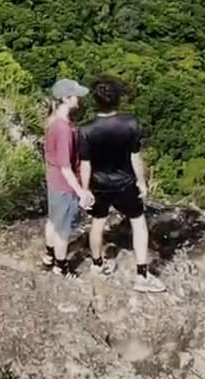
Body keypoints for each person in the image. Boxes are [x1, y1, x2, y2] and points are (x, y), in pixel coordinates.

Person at [79, 76, 164, 293]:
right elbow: (135, 157)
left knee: (98, 222)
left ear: (96, 101)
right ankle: (141, 275)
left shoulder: (86, 130)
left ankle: (97, 266)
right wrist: (142, 182)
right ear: (117, 99)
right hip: (125, 182)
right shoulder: (130, 123)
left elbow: (85, 164)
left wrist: (85, 189)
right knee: (138, 222)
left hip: (99, 183)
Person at [41, 77, 93, 276]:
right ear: (66, 98)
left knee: (53, 220)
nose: (79, 98)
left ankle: (48, 256)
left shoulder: (53, 121)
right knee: (63, 230)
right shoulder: (63, 129)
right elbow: (66, 166)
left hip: (54, 180)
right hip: (64, 185)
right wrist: (81, 192)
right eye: (75, 95)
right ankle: (60, 267)